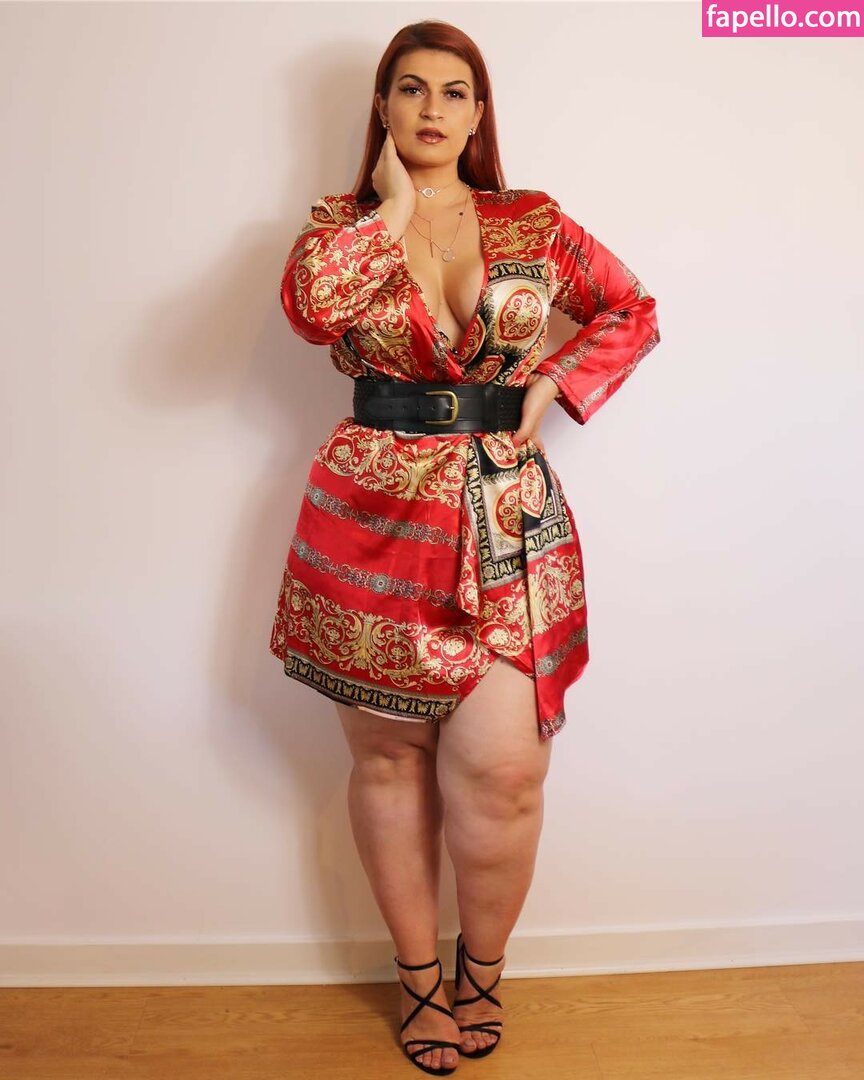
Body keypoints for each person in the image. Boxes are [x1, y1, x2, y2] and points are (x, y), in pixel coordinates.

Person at [269, 19, 660, 1077]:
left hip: (506, 517)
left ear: (480, 112)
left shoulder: (534, 223)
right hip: (371, 519)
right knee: (389, 761)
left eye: (454, 91)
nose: (432, 109)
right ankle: (418, 981)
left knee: (504, 773)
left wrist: (558, 379)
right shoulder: (339, 228)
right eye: (411, 89)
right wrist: (393, 210)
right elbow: (310, 310)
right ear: (383, 108)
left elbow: (631, 307)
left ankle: (481, 973)